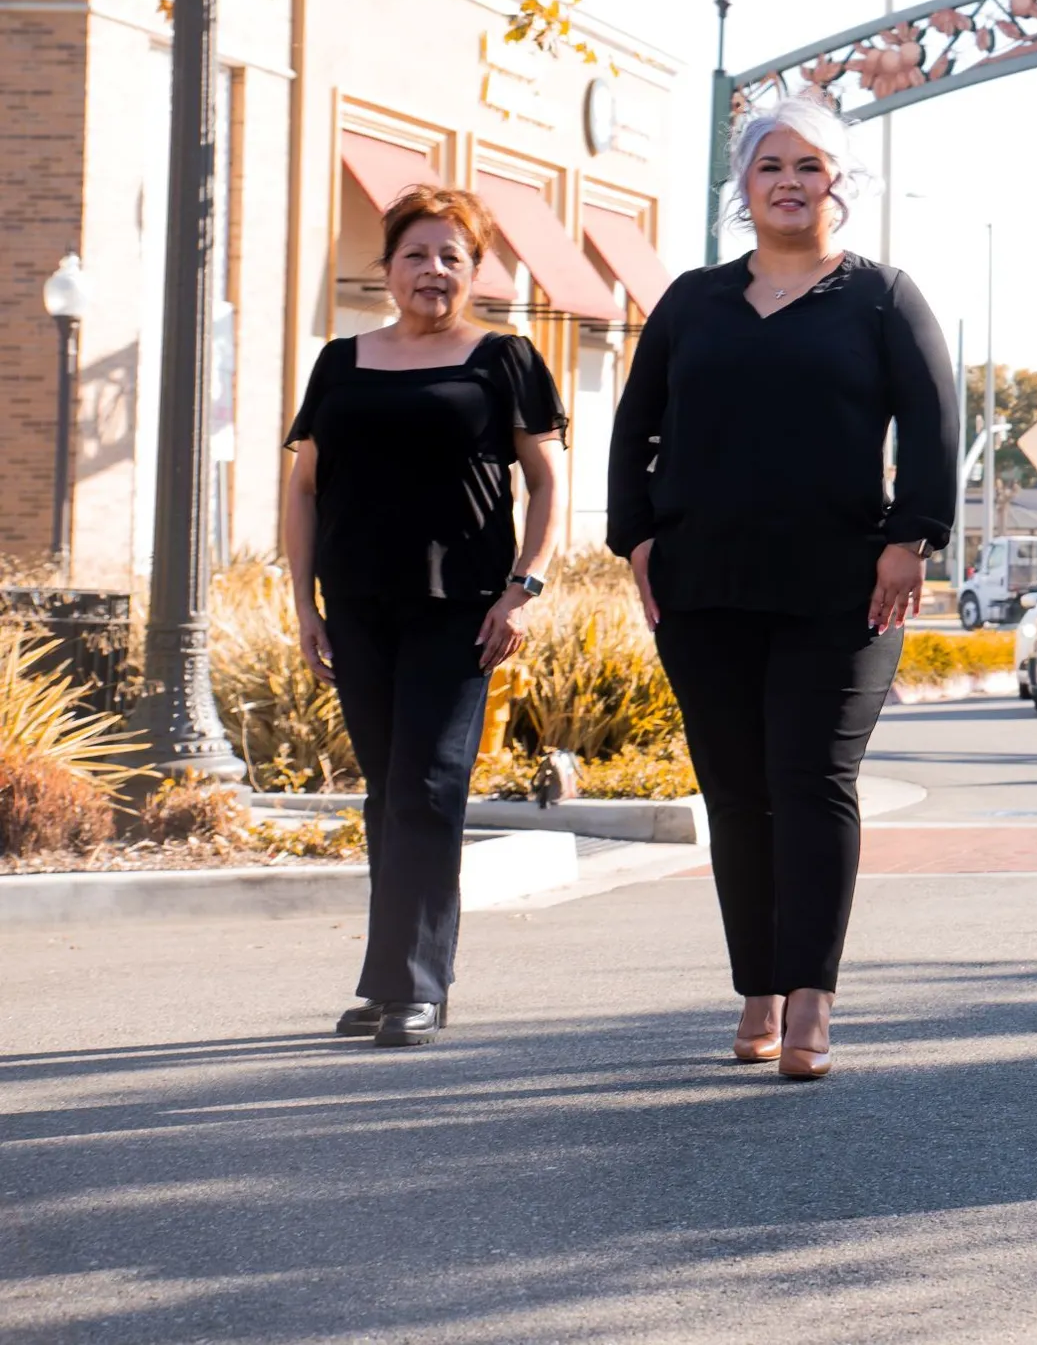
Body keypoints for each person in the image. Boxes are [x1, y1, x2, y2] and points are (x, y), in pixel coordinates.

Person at [607, 94, 956, 1081]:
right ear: (744, 184)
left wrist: (910, 538)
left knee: (810, 780)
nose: (793, 182)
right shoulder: (692, 302)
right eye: (773, 165)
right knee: (737, 789)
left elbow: (932, 427)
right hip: (703, 584)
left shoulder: (883, 297)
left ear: (841, 183)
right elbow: (636, 428)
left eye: (812, 166)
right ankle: (756, 986)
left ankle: (810, 996)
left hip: (842, 590)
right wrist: (635, 537)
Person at [285, 185, 565, 1048]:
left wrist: (526, 587)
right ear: (388, 268)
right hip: (357, 603)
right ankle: (386, 978)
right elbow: (302, 488)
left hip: (462, 610)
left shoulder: (504, 358)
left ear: (476, 271)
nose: (433, 271)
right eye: (417, 254)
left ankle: (419, 985)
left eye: (452, 256)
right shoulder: (341, 361)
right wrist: (303, 605)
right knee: (385, 793)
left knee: (428, 788)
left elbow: (549, 481)